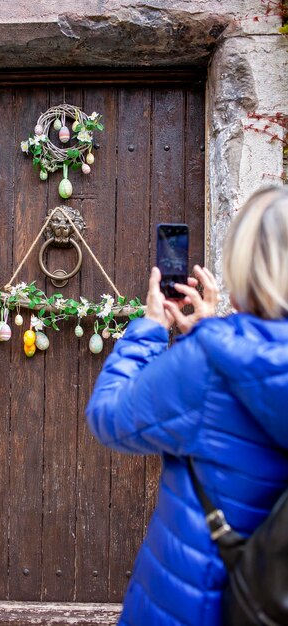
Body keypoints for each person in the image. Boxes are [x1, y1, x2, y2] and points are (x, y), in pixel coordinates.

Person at [86, 186, 288, 626]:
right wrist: (210, 334)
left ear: (248, 266)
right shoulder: (218, 356)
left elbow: (108, 415)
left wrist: (152, 328)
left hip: (197, 603)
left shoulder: (210, 366)